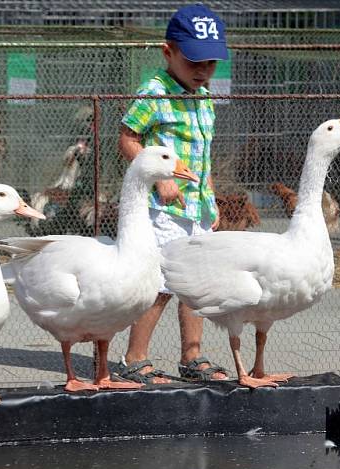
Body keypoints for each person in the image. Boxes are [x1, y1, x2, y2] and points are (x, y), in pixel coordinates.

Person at [117, 3, 229, 384]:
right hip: (161, 209)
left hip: (197, 207)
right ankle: (135, 359)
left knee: (196, 286)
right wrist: (160, 179)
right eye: (194, 60)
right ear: (169, 52)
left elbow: (204, 155)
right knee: (160, 285)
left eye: (211, 63)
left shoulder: (206, 96)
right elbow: (128, 138)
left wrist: (210, 196)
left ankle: (192, 358)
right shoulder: (154, 92)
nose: (202, 70)